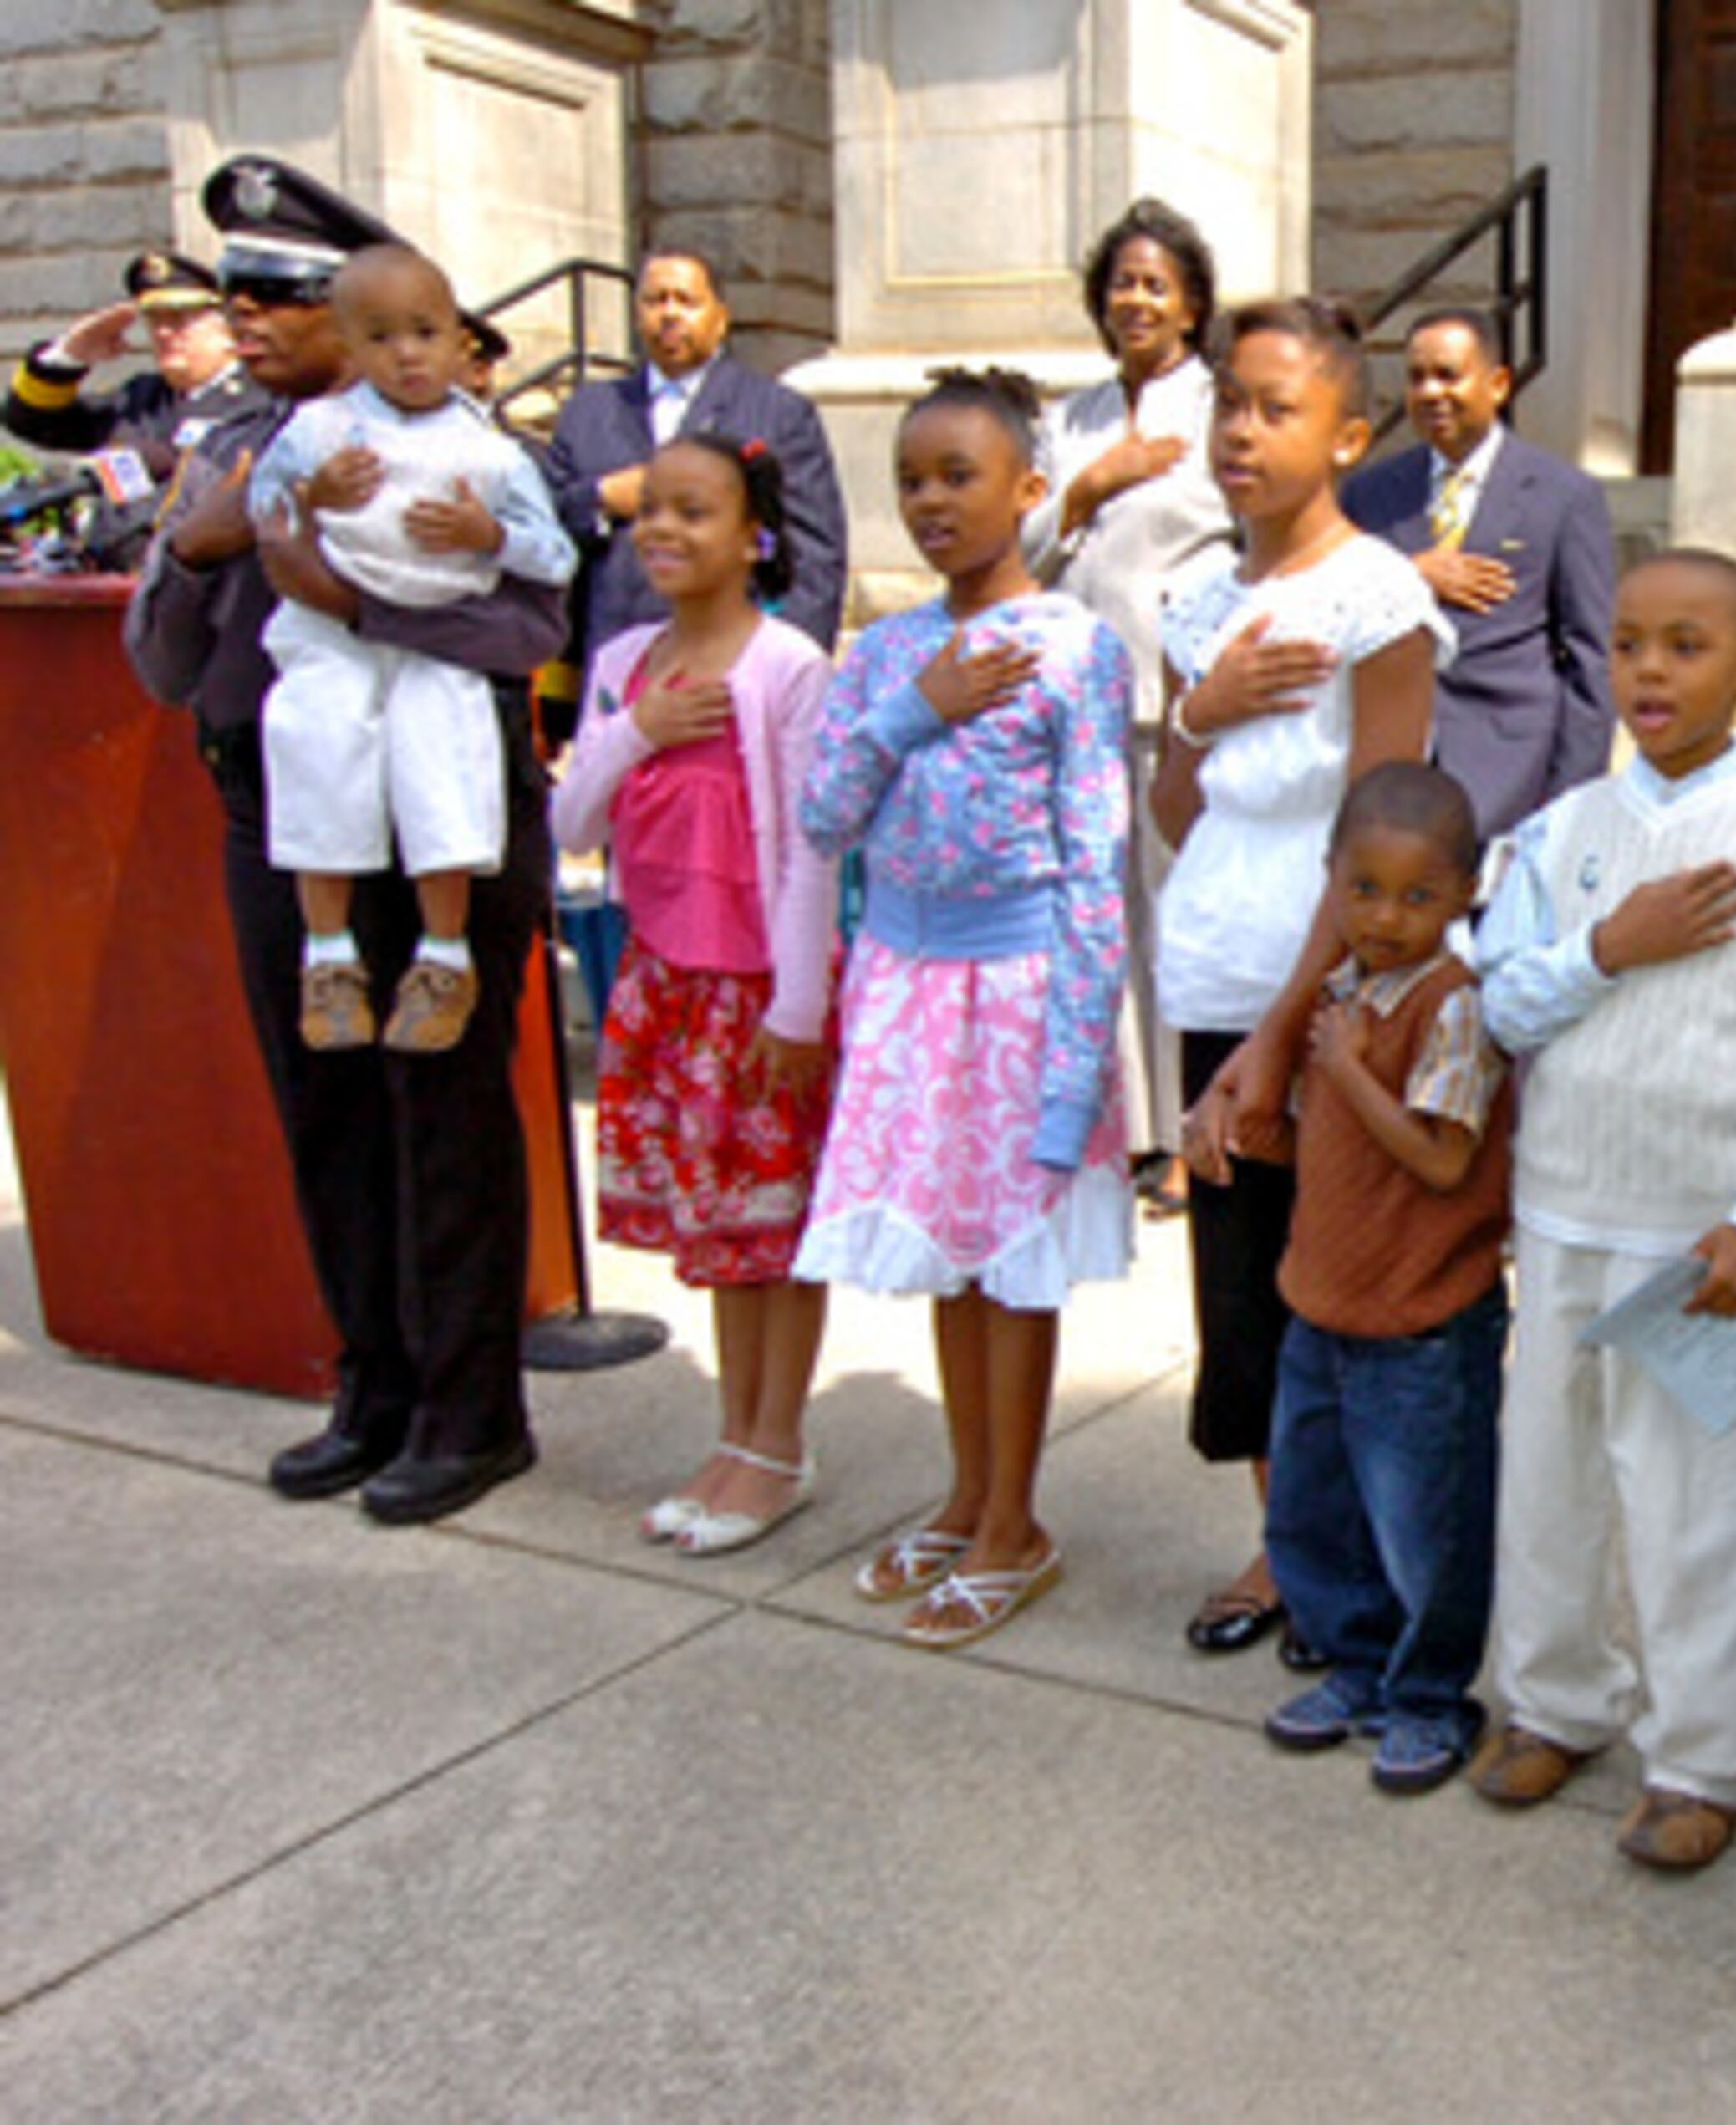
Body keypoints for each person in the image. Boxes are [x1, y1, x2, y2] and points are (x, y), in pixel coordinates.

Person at [125, 155, 559, 1524]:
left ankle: (469, 1412)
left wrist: (350, 600)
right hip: (284, 818)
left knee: (443, 1117)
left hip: (435, 826)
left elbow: (529, 629)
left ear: (363, 318)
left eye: (278, 295)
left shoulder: (468, 448)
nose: (244, 318)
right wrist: (199, 547)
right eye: (234, 294)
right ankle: (372, 1388)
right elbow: (161, 663)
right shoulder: (231, 451)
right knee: (326, 1111)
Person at [1466, 548, 1736, 1873]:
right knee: (1551, 1480)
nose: (1650, 669)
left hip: (1706, 1241)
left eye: (1688, 646)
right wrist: (1608, 945)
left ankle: (1704, 1755)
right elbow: (1502, 1005)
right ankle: (1557, 1699)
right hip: (1565, 1215)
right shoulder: (1560, 832)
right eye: (1631, 641)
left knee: (1708, 1512)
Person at [796, 367, 1133, 1649]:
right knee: (948, 1249)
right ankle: (968, 1490)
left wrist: (1077, 1058)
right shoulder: (887, 652)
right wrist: (911, 710)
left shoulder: (1076, 649)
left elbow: (1096, 859)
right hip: (908, 985)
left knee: (1013, 1259)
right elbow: (825, 814)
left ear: (1030, 489)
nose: (931, 501)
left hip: (1024, 993)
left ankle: (1015, 1522)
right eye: (911, 480)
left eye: (960, 476)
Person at [1159, 297, 1446, 1664]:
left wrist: (1285, 1032)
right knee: (1244, 1290)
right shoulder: (1199, 603)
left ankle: (1370, 1559)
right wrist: (1200, 708)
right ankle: (1287, 1544)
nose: (1242, 430)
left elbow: (1386, 825)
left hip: (1336, 989)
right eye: (1231, 402)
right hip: (1214, 969)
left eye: (1278, 409)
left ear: (1346, 435)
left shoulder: (1376, 594)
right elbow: (1176, 808)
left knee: (1343, 1286)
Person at [549, 432, 841, 1554]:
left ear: (754, 536)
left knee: (772, 1225)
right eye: (650, 512)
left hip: (758, 991)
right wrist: (637, 730)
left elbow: (813, 849)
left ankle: (778, 1442)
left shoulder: (787, 665)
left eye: (694, 511)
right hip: (664, 981)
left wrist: (798, 1008)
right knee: (719, 1229)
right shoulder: (627, 660)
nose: (664, 531)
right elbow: (572, 820)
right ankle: (735, 1434)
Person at [247, 244, 577, 1055]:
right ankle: (329, 957)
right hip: (333, 633)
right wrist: (310, 496)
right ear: (348, 347)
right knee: (317, 744)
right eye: (381, 337)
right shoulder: (320, 431)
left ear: (460, 339)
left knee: (442, 768)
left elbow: (556, 557)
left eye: (425, 333)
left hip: (441, 638)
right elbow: (263, 510)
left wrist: (489, 535)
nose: (407, 355)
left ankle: (445, 955)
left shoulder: (491, 452)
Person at [1256, 761, 1514, 1797]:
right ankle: (1358, 1668)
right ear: (1331, 878)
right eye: (1362, 889)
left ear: (1464, 894)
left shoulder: (1454, 1006)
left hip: (1423, 1323)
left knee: (1425, 1530)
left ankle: (1430, 1698)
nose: (1386, 917)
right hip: (1323, 1305)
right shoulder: (1341, 993)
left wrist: (1351, 1069)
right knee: (1319, 1514)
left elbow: (1444, 1161)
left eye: (1417, 896)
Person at [1019, 196, 1235, 1220]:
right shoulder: (1070, 419)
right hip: (1077, 698)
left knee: (1175, 911)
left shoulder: (1222, 408)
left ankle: (1188, 1130)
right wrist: (1090, 485)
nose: (1136, 300)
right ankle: (1122, 1127)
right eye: (1122, 283)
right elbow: (1021, 548)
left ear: (1191, 305)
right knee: (1095, 916)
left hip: (1176, 699)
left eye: (1156, 284)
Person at [1342, 306, 1616, 843]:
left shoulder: (1564, 496)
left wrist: (1572, 798)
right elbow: (1330, 605)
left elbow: (1592, 656)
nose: (1430, 393)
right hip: (1390, 763)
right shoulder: (1370, 493)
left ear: (1498, 384)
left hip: (1509, 768)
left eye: (1448, 375)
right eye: (1417, 377)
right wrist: (1407, 575)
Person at [540, 252, 848, 666]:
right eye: (655, 300)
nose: (669, 314)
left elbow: (814, 562)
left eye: (686, 301)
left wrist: (782, 670)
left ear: (720, 318)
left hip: (734, 667)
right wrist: (601, 499)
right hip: (617, 666)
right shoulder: (589, 412)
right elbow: (539, 524)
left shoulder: (778, 414)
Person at [6, 248, 262, 568]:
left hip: (204, 582)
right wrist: (68, 358)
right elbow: (33, 422)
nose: (164, 333)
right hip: (112, 581)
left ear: (230, 329)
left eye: (180, 320)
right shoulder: (141, 397)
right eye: (155, 321)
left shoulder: (260, 400)